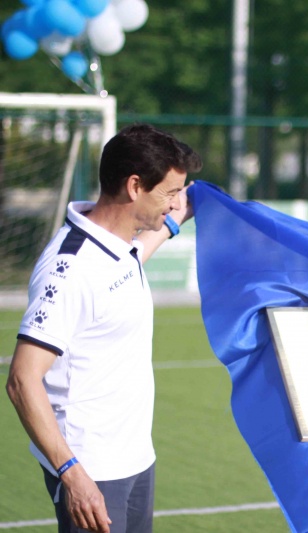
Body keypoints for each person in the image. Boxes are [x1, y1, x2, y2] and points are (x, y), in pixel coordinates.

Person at [6, 124, 202, 533]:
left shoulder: (121, 244)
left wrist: (179, 216)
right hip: (91, 468)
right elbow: (22, 380)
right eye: (168, 193)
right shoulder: (70, 268)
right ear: (134, 186)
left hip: (134, 456)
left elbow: (126, 267)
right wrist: (73, 474)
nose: (172, 203)